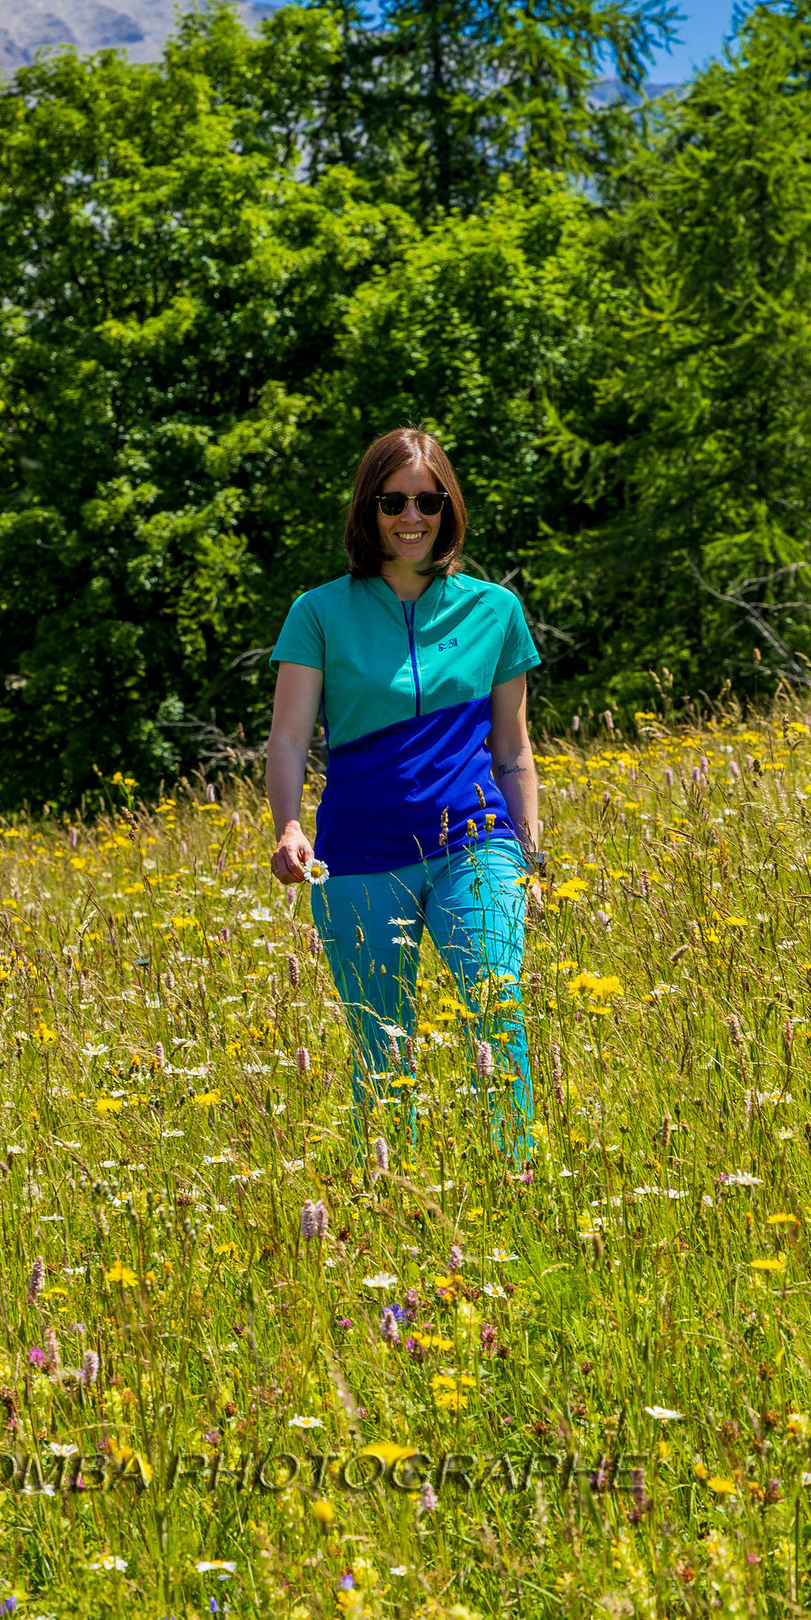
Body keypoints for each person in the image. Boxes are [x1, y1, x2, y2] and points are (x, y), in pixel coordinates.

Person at [266, 427, 541, 1145]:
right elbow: (290, 738)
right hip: (359, 857)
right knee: (382, 1044)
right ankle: (395, 1199)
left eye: (427, 500)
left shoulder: (495, 610)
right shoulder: (319, 612)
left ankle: (513, 1178)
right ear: (370, 508)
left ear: (448, 507)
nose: (411, 517)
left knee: (496, 1005)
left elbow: (513, 750)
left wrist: (531, 860)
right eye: (394, 501)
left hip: (475, 845)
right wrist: (288, 827)